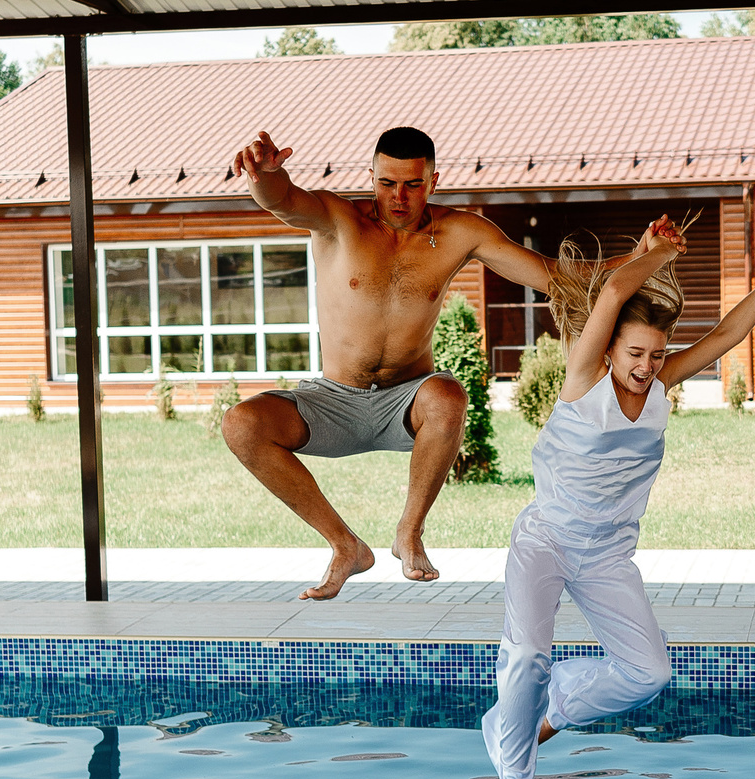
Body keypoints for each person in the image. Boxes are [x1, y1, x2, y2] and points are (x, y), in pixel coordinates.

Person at [483, 213, 755, 779]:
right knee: (528, 652)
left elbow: (728, 333)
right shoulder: (584, 383)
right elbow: (612, 293)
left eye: (656, 354)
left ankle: (548, 712)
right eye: (635, 352)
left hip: (608, 555)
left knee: (648, 673)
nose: (646, 365)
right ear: (609, 346)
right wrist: (658, 254)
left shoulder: (661, 385)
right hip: (547, 541)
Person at [225, 125, 562, 600]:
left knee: (448, 395)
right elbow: (282, 199)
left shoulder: (460, 232)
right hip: (333, 401)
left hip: (406, 401)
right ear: (372, 177)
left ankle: (409, 532)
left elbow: (555, 277)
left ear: (434, 181)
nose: (398, 197)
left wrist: (643, 258)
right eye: (386, 183)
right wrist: (264, 174)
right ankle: (346, 547)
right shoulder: (339, 219)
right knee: (242, 424)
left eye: (412, 184)